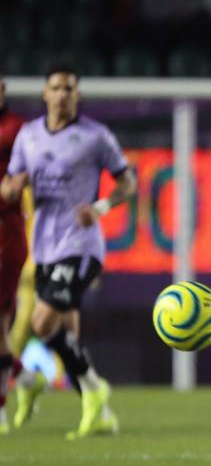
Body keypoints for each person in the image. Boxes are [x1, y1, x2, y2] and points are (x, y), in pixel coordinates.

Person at [0, 64, 137, 439]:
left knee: (42, 323)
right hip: (43, 247)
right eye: (56, 88)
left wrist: (101, 208)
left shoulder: (95, 137)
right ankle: (99, 413)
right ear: (44, 93)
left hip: (81, 245)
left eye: (69, 89)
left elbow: (128, 182)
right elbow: (12, 181)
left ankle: (94, 389)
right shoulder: (28, 136)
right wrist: (11, 189)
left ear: (77, 95)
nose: (62, 95)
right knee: (66, 335)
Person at [0, 73, 28, 435]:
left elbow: (15, 186)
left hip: (5, 234)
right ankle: (26, 376)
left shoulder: (18, 129)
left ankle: (1, 409)